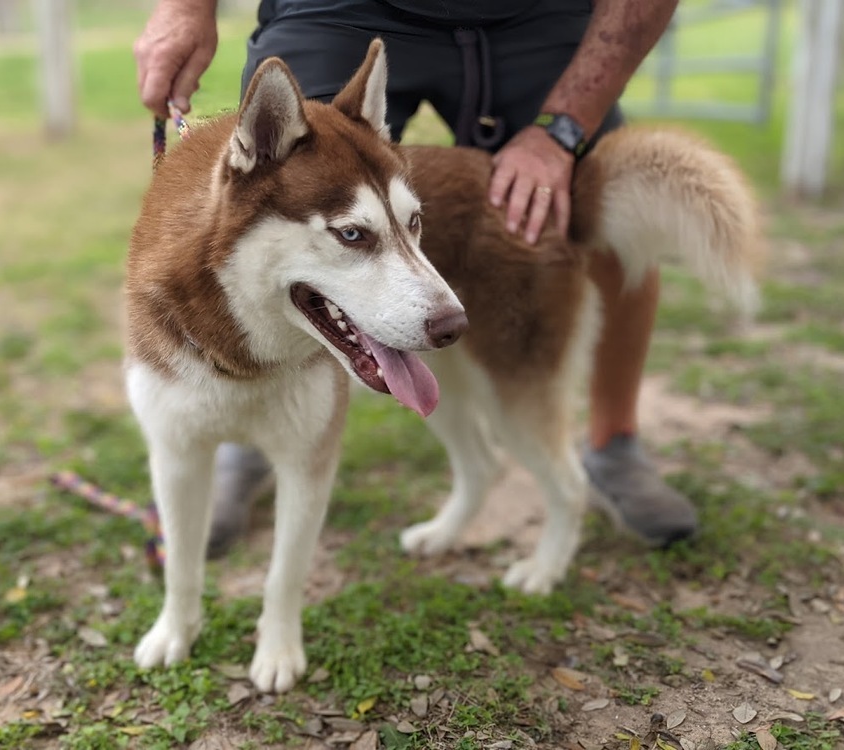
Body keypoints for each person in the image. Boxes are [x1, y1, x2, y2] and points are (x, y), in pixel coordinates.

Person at [133, 0, 696, 559]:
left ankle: (614, 443)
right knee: (286, 208)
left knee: (572, 215)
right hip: (335, 7)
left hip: (539, 12)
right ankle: (257, 436)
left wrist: (562, 130)